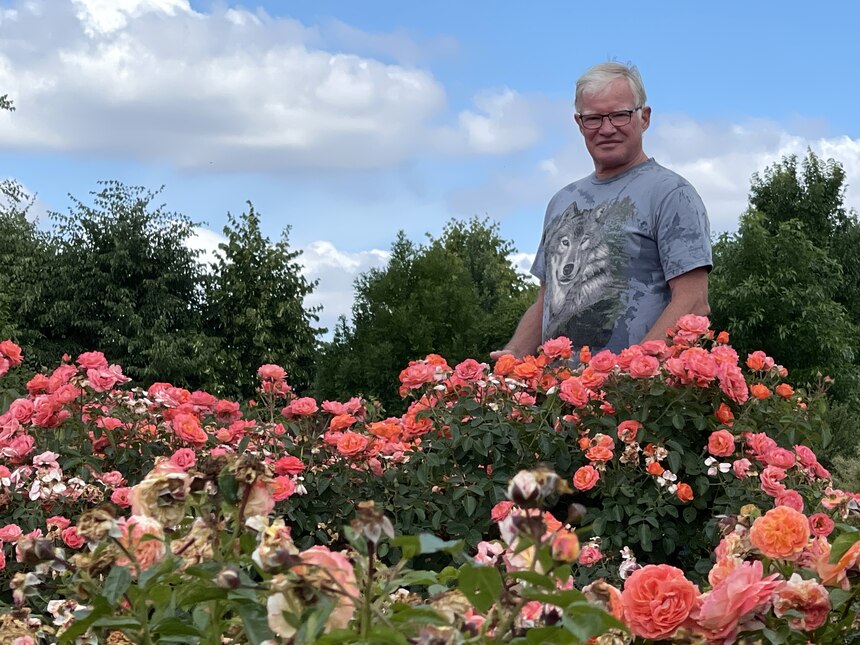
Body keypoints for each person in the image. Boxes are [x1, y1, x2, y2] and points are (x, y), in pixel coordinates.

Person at [492, 62, 711, 360]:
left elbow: (693, 302)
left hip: (634, 401)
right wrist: (513, 355)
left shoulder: (671, 193)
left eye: (620, 115)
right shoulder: (561, 202)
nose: (606, 129)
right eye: (593, 118)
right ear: (579, 124)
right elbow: (547, 300)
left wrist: (633, 372)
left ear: (644, 118)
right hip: (555, 400)